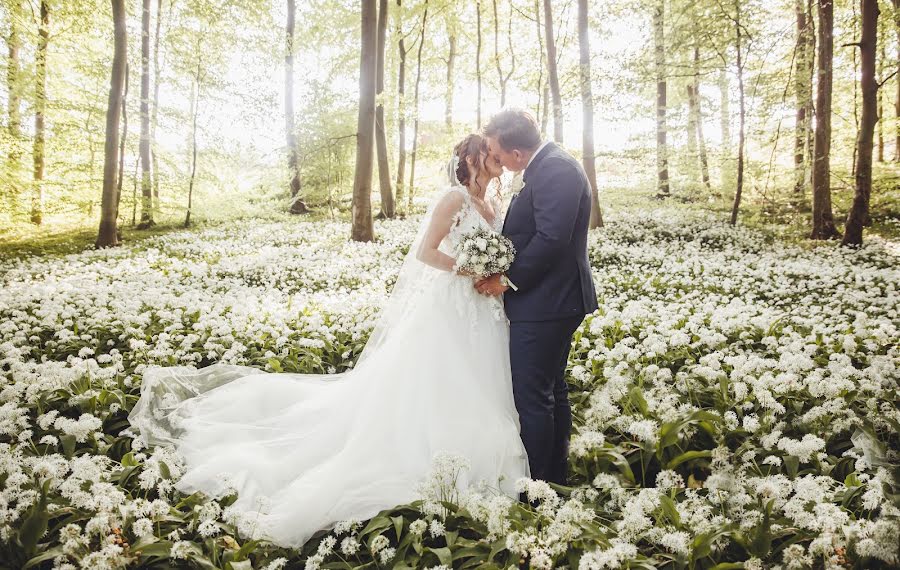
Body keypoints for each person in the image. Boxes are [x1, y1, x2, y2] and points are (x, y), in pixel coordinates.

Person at [127, 134, 530, 549]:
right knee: (436, 381)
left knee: (479, 380)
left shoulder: (494, 204)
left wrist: (491, 271)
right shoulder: (454, 199)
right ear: (472, 158)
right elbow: (426, 252)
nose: (498, 158)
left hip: (485, 308)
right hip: (451, 304)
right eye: (491, 153)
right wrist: (469, 268)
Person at [479, 109, 599, 486]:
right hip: (550, 300)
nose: (497, 161)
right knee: (551, 389)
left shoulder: (556, 169)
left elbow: (552, 238)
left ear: (517, 153)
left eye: (498, 154)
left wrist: (507, 280)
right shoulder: (547, 166)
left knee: (532, 396)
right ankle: (554, 476)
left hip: (549, 302)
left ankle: (537, 485)